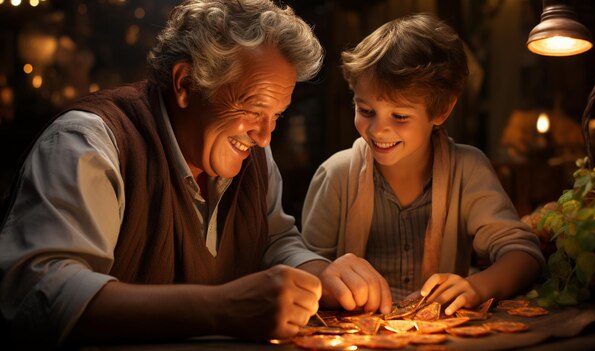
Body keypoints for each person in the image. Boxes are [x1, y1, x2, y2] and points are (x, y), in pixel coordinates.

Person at [0, 0, 392, 347]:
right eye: (253, 109)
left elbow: (271, 241)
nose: (264, 134)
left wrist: (320, 275)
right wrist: (221, 309)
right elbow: (40, 294)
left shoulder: (251, 147)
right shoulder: (89, 142)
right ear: (186, 84)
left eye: (276, 116)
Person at [301, 13, 545, 316]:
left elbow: (523, 254)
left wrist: (476, 287)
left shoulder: (468, 170)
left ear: (441, 110)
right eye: (366, 110)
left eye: (400, 116)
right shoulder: (337, 174)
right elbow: (305, 269)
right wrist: (329, 281)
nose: (378, 130)